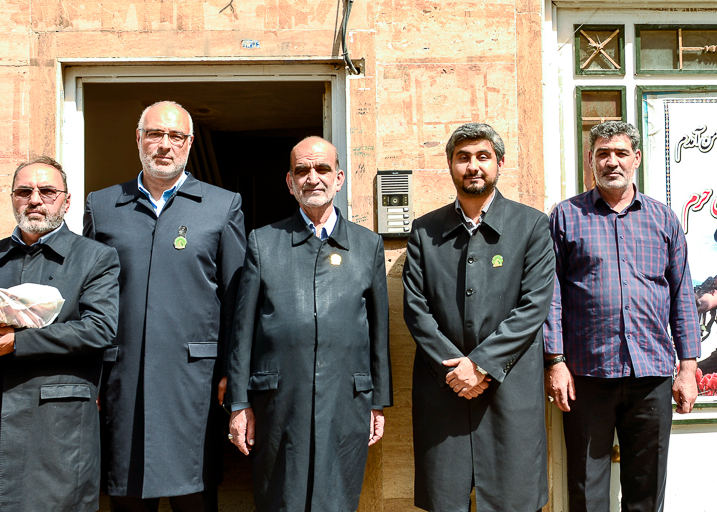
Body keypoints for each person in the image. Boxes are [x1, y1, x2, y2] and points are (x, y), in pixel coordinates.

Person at [84, 101, 246, 512]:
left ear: (189, 143)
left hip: (194, 381)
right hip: (122, 380)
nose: (164, 145)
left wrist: (233, 370)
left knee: (194, 497)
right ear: (139, 139)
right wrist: (92, 375)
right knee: (128, 496)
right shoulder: (102, 206)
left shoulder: (221, 205)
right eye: (155, 134)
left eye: (175, 136)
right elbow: (88, 299)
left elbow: (237, 299)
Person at [226, 136, 391, 512]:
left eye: (322, 169)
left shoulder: (367, 245)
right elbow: (242, 332)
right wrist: (238, 403)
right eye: (302, 170)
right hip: (277, 402)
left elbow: (378, 331)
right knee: (281, 499)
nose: (312, 178)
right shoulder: (263, 243)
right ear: (290, 182)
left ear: (339, 178)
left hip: (347, 401)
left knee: (336, 499)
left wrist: (378, 401)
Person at [0, 157, 120, 512]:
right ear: (13, 198)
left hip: (57, 423)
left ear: (66, 201)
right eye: (24, 191)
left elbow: (100, 328)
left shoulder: (94, 257)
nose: (35, 199)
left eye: (47, 191)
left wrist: (18, 342)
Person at [545, 121, 700, 512]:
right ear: (590, 160)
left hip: (651, 374)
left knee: (647, 490)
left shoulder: (664, 219)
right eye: (602, 153)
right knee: (586, 489)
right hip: (587, 375)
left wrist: (687, 368)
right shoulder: (566, 217)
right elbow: (551, 297)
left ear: (637, 158)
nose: (611, 162)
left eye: (620, 153)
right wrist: (555, 362)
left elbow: (682, 296)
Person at [403, 123, 556, 512]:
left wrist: (481, 365)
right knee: (445, 500)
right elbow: (416, 309)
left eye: (483, 156)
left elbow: (534, 306)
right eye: (463, 157)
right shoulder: (424, 231)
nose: (473, 166)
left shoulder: (532, 225)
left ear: (499, 163)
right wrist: (457, 370)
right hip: (444, 391)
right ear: (450, 165)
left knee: (514, 501)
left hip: (510, 392)